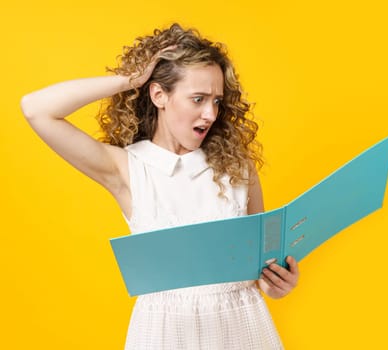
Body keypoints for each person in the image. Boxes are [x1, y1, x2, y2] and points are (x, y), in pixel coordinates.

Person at [21, 23, 299, 349]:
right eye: (198, 98)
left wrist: (276, 284)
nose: (210, 113)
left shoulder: (238, 167)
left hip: (241, 326)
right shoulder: (128, 168)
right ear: (158, 95)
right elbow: (37, 109)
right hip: (165, 332)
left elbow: (259, 268)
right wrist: (130, 81)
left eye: (217, 101)